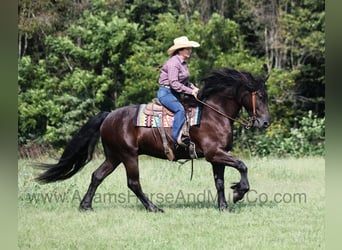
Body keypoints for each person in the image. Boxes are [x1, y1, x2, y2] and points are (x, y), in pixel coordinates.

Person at [157, 36, 200, 147]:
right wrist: (191, 92)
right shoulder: (174, 63)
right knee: (179, 110)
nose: (189, 50)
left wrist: (194, 88)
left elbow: (185, 82)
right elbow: (174, 83)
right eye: (187, 48)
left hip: (175, 93)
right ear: (180, 50)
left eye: (189, 48)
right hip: (166, 93)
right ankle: (176, 140)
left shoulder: (183, 63)